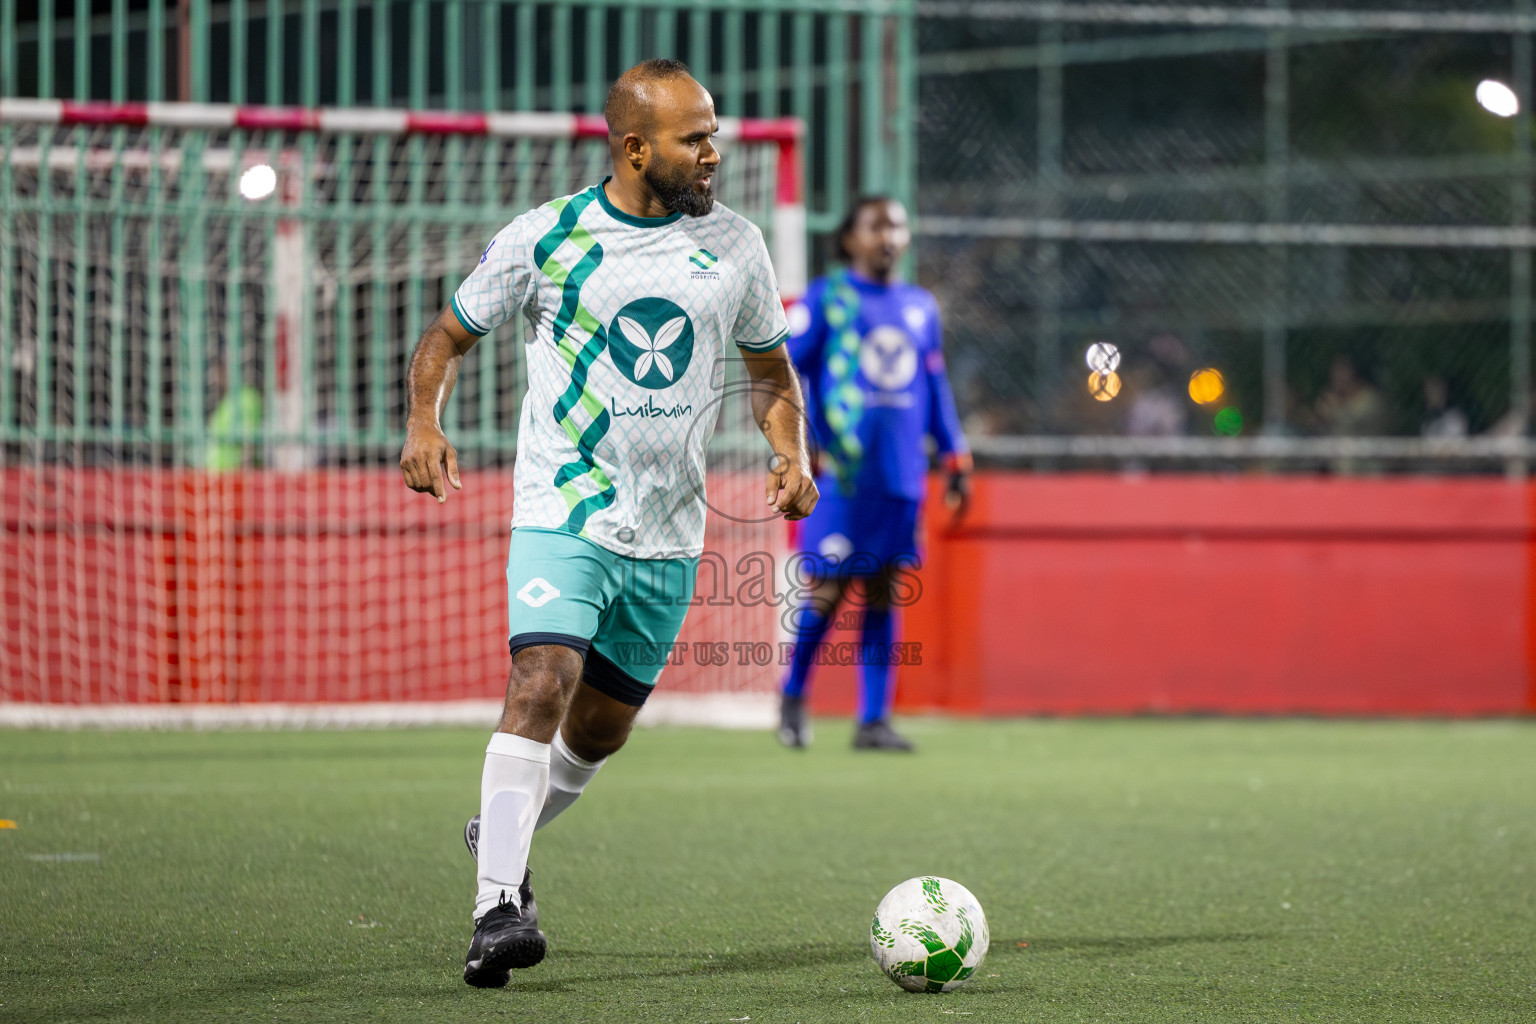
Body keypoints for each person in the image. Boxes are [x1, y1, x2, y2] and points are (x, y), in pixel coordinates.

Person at [398, 59, 817, 988]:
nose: (712, 153)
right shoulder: (547, 237)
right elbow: (446, 337)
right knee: (542, 679)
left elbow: (770, 375)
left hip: (670, 533)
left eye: (713, 135)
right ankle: (497, 908)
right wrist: (424, 421)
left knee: (597, 734)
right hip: (566, 506)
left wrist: (792, 450)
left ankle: (499, 832)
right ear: (634, 147)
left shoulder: (738, 245)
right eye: (693, 139)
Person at [776, 196, 971, 753]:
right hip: (843, 476)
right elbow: (784, 366)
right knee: (829, 589)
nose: (888, 237)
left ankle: (873, 720)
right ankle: (793, 695)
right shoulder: (829, 298)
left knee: (886, 590)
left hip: (901, 476)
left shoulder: (920, 307)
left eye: (897, 227)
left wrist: (955, 453)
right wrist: (795, 442)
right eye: (876, 226)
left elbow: (934, 385)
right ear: (850, 239)